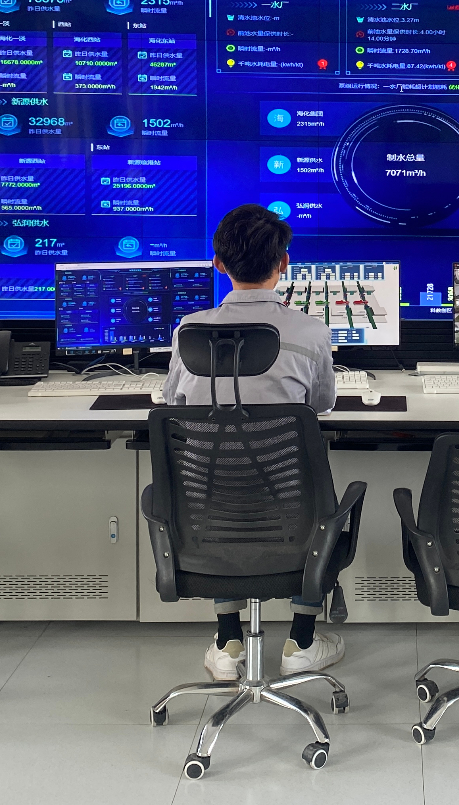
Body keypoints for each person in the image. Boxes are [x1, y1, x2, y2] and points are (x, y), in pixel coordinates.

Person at [162, 203, 342, 682]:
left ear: (218, 263)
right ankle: (302, 642)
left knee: (217, 475)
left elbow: (174, 403)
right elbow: (321, 404)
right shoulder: (312, 332)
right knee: (308, 487)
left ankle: (227, 641)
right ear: (284, 263)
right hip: (288, 503)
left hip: (207, 507)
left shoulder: (188, 332)